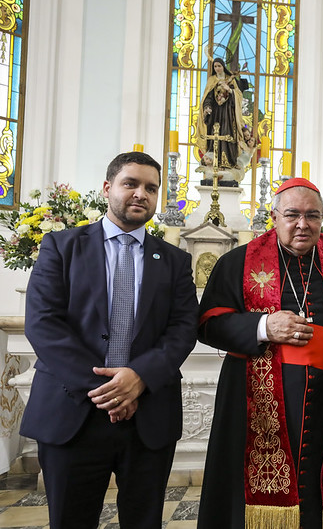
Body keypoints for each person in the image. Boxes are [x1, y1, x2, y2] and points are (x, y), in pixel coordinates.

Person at [196, 177, 323, 529]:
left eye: (312, 215)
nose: (303, 224)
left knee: (316, 493)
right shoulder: (239, 261)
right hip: (253, 406)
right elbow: (209, 324)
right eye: (292, 215)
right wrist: (263, 327)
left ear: (322, 218)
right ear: (274, 217)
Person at [21, 151, 198, 528]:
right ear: (107, 188)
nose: (141, 194)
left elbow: (183, 328)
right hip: (73, 410)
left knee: (144, 521)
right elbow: (43, 324)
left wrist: (139, 377)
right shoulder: (61, 246)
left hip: (147, 413)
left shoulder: (174, 261)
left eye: (151, 188)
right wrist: (109, 390)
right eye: (130, 183)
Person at [197, 57, 246, 178]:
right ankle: (215, 163)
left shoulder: (230, 79)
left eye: (219, 66)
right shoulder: (212, 80)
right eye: (215, 66)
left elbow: (238, 96)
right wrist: (207, 108)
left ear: (223, 66)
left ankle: (228, 162)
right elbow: (207, 97)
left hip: (228, 114)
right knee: (214, 136)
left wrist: (229, 90)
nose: (217, 68)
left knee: (227, 135)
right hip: (215, 115)